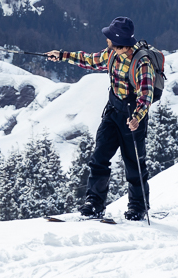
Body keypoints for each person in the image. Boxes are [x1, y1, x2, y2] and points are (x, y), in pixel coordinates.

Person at [47, 16, 154, 220]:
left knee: (134, 164)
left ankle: (138, 207)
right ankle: (94, 204)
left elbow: (146, 95)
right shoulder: (111, 54)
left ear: (118, 41)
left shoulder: (143, 63)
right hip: (113, 111)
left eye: (109, 38)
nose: (106, 40)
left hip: (133, 117)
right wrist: (61, 55)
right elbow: (89, 60)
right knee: (99, 158)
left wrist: (137, 118)